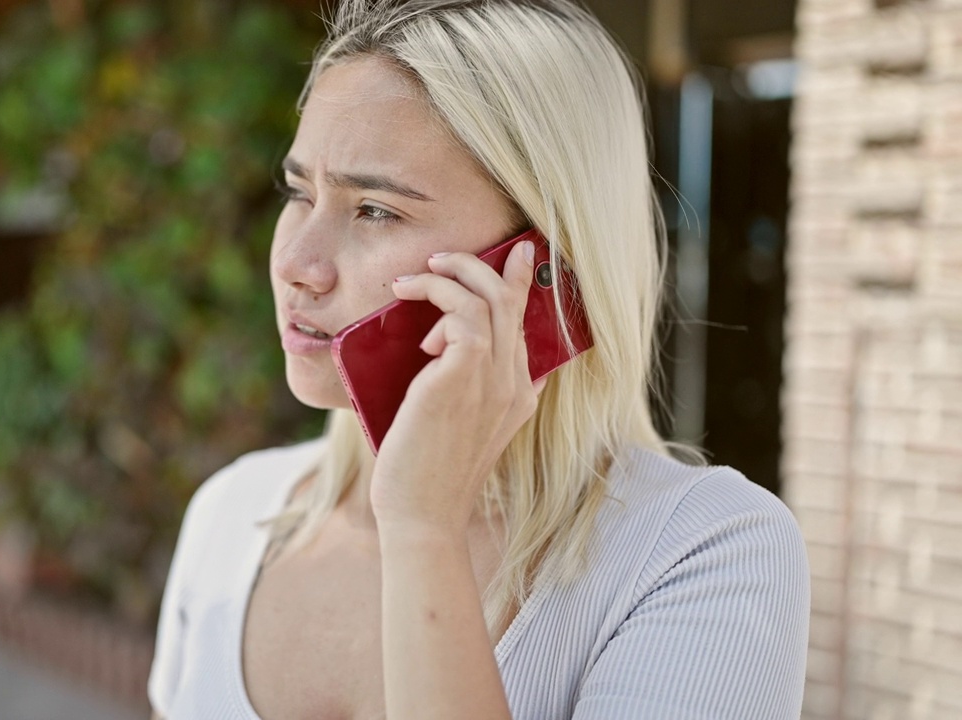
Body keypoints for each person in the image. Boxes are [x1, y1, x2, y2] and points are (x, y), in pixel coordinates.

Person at [147, 0, 810, 718]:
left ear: (541, 267)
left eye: (375, 209)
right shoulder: (230, 512)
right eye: (298, 192)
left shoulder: (704, 553)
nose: (297, 264)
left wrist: (424, 529)